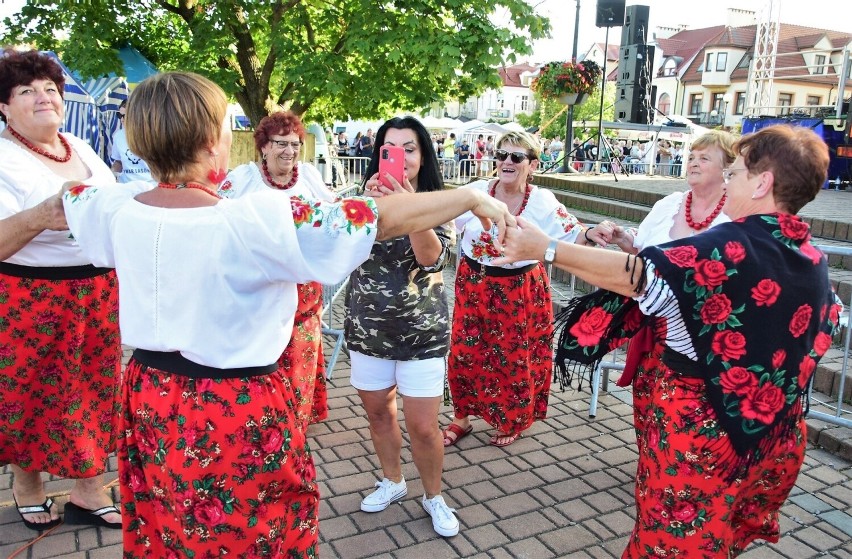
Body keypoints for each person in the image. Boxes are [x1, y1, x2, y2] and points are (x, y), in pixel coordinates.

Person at [59, 71, 514, 558]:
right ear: (216, 142)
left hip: (150, 393)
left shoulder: (112, 206)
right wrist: (469, 196)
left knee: (169, 525)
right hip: (236, 404)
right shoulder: (254, 218)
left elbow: (62, 201)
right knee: (259, 529)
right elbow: (377, 220)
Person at [494, 124, 842, 558]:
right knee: (717, 532)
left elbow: (640, 278)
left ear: (762, 183)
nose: (730, 180)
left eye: (735, 173)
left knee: (673, 538)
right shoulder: (809, 253)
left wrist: (546, 248)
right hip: (771, 432)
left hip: (698, 426)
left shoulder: (729, 244)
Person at [0, 48, 122, 531]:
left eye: (50, 88)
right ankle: (26, 487)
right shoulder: (3, 157)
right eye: (26, 90)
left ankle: (88, 492)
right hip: (29, 298)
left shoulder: (82, 148)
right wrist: (38, 217)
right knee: (27, 395)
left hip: (95, 293)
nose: (43, 96)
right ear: (4, 107)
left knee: (92, 391)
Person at [344, 116, 459, 537]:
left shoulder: (436, 202)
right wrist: (367, 211)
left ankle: (433, 495)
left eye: (408, 148)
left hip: (421, 332)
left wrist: (410, 206)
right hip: (369, 330)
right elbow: (347, 251)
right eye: (390, 148)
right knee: (378, 415)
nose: (400, 156)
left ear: (422, 154)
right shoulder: (364, 199)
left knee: (425, 427)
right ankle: (392, 481)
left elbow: (431, 258)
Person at [443, 131, 585, 448]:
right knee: (464, 353)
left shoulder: (543, 202)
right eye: (501, 155)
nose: (506, 161)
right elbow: (443, 216)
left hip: (519, 288)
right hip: (474, 283)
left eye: (516, 157)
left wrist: (603, 235)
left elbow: (576, 236)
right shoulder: (476, 192)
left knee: (514, 357)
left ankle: (513, 419)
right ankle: (461, 417)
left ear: (532, 165)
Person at [585, 130, 736, 393]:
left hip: (699, 334)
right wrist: (623, 239)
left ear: (727, 168)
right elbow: (642, 250)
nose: (693, 163)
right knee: (647, 400)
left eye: (704, 158)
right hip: (654, 325)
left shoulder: (734, 213)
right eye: (691, 157)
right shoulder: (670, 204)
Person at [218, 110, 333, 428]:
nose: (290, 151)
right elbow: (217, 219)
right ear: (264, 146)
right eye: (281, 143)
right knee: (261, 355)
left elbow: (333, 212)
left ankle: (293, 424)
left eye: (296, 144)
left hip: (303, 287)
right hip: (258, 286)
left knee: (299, 357)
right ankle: (260, 419)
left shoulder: (308, 175)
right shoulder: (244, 178)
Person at [110, 99, 153, 183]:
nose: (122, 119)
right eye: (119, 115)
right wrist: (110, 174)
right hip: (127, 187)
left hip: (150, 186)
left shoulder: (153, 135)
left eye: (125, 116)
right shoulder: (118, 136)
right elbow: (118, 162)